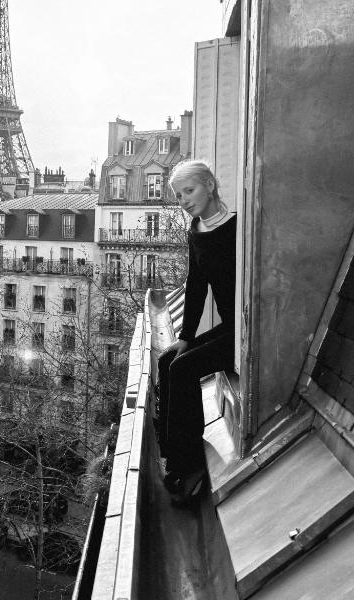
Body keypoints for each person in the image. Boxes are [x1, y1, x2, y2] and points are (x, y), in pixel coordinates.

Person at [157, 160, 236, 506]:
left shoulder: (237, 227)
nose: (184, 200)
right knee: (168, 359)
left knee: (182, 369)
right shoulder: (197, 230)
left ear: (210, 184)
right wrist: (185, 337)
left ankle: (187, 465)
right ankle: (171, 451)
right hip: (230, 327)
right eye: (179, 196)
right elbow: (196, 286)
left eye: (189, 190)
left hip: (245, 332)